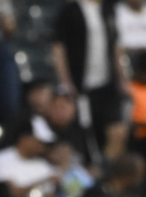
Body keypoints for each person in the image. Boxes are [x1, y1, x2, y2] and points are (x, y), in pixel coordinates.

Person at [52, 0, 125, 154]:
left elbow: (115, 45)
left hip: (107, 84)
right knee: (87, 136)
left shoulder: (108, 9)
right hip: (81, 85)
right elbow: (58, 47)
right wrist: (65, 81)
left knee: (117, 131)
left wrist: (122, 78)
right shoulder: (70, 10)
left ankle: (106, 165)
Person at [0, 122, 58, 197]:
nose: (41, 147)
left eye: (44, 144)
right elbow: (11, 192)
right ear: (25, 138)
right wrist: (43, 181)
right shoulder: (0, 158)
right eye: (38, 142)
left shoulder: (44, 166)